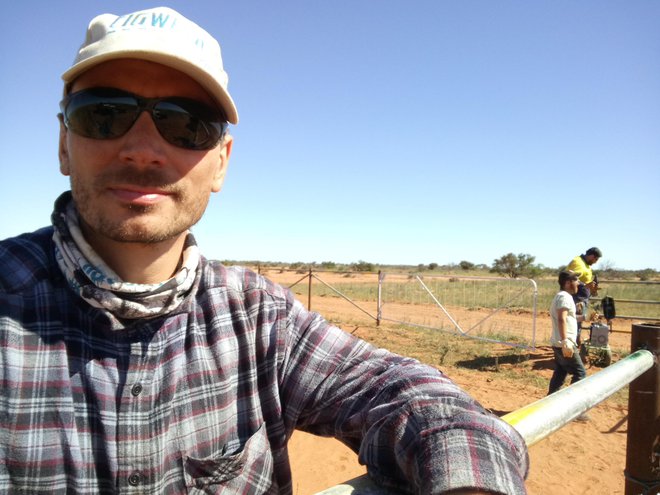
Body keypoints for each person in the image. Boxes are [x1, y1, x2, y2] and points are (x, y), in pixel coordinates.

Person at [0, 7, 528, 494]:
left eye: (186, 123)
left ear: (222, 161)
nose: (141, 148)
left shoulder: (257, 318)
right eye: (105, 114)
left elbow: (408, 397)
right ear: (64, 142)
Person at [547, 271, 588, 401]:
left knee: (561, 371)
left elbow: (569, 317)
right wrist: (565, 341)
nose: (579, 284)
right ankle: (572, 406)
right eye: (577, 280)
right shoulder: (564, 297)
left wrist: (586, 317)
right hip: (565, 343)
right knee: (580, 373)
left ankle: (549, 403)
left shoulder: (563, 296)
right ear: (568, 282)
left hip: (560, 343)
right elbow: (561, 319)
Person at [566, 247, 602, 330]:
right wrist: (585, 285)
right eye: (596, 259)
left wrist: (592, 288)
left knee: (577, 323)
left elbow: (582, 280)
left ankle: (574, 340)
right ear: (592, 256)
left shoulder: (586, 265)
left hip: (581, 300)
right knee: (573, 323)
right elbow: (571, 278)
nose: (595, 262)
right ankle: (571, 341)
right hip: (576, 299)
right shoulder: (578, 262)